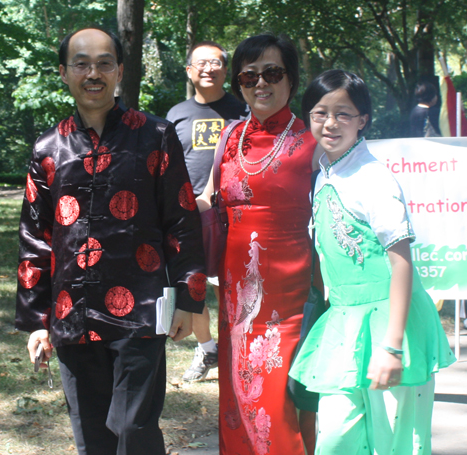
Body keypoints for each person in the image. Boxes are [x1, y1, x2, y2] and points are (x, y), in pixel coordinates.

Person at [15, 27, 206, 455]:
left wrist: (188, 300)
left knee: (134, 429)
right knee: (91, 435)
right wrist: (38, 320)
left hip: (140, 309)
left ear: (120, 71)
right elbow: (36, 238)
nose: (93, 73)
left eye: (104, 62)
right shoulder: (48, 149)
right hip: (72, 313)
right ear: (64, 72)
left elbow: (181, 219)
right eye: (81, 63)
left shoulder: (155, 136)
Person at [289, 69, 455, 455]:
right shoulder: (323, 175)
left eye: (344, 113)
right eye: (320, 113)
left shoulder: (373, 178)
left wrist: (392, 346)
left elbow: (401, 262)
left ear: (363, 120)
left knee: (396, 444)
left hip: (393, 326)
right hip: (345, 325)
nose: (331, 123)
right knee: (334, 441)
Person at [197, 34, 320, 455]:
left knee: (282, 404)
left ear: (292, 78)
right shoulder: (230, 138)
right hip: (236, 301)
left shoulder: (313, 141)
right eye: (249, 75)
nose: (260, 83)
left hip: (292, 301)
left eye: (272, 72)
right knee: (237, 402)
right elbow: (206, 199)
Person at [167, 41, 247, 382]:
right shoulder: (176, 114)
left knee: (229, 286)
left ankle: (237, 349)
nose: (207, 68)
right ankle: (208, 348)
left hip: (235, 211)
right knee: (193, 282)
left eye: (215, 62)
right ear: (189, 71)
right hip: (189, 213)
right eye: (200, 62)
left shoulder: (243, 109)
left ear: (225, 71)